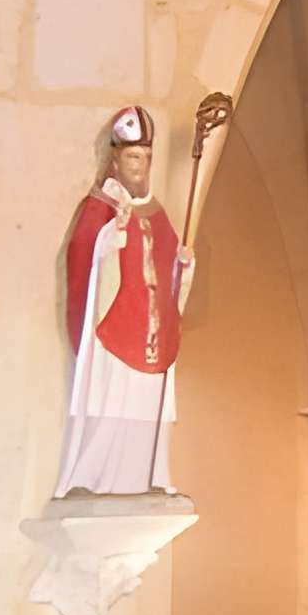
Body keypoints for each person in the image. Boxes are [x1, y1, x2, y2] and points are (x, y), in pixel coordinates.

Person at [56, 105, 192, 495]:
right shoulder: (101, 206)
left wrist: (184, 266)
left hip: (153, 333)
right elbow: (82, 256)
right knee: (111, 407)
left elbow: (168, 266)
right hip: (116, 328)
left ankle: (151, 478)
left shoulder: (156, 211)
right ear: (115, 160)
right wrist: (108, 243)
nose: (140, 167)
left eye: (146, 158)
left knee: (149, 412)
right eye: (133, 157)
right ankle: (89, 479)